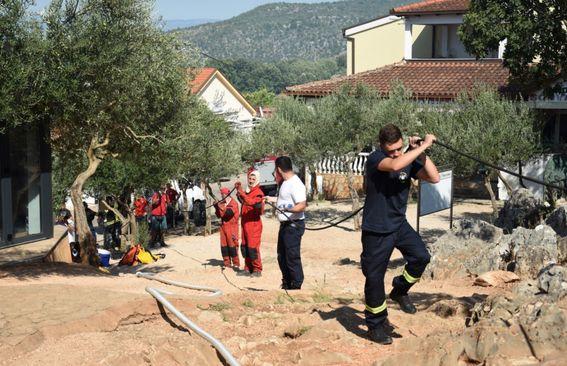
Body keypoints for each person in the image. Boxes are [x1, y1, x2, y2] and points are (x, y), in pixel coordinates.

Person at [361, 124, 440, 345]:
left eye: (398, 148)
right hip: (376, 228)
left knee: (421, 257)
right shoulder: (376, 159)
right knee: (374, 278)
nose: (395, 153)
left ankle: (399, 290)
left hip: (398, 225)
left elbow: (434, 178)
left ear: (402, 142)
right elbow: (395, 164)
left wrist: (421, 152)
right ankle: (375, 324)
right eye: (390, 150)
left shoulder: (407, 158)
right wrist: (421, 145)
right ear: (381, 147)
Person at [266, 156, 307, 290]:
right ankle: (287, 282)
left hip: (293, 225)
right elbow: (284, 199)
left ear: (278, 169)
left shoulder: (296, 183)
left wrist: (287, 209)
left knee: (291, 256)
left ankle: (296, 284)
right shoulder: (286, 183)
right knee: (282, 256)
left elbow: (301, 205)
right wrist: (271, 199)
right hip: (285, 226)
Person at [235, 169, 265, 276]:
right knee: (245, 246)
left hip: (254, 224)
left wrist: (242, 193)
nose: (251, 181)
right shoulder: (249, 191)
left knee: (253, 247)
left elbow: (251, 202)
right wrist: (239, 191)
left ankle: (257, 269)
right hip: (245, 222)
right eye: (250, 178)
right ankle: (247, 268)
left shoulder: (258, 193)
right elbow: (244, 201)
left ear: (257, 180)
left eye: (253, 179)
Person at [214, 187, 240, 269]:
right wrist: (216, 207)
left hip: (232, 227)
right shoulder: (222, 203)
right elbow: (219, 215)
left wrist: (219, 206)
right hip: (223, 227)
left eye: (223, 194)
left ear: (227, 194)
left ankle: (236, 263)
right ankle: (226, 263)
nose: (222, 196)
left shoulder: (234, 203)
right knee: (224, 246)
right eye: (221, 194)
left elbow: (227, 214)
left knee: (232, 245)